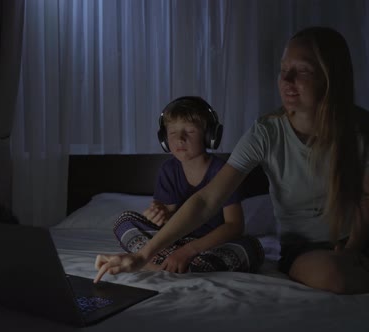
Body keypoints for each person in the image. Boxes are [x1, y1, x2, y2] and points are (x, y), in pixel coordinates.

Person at [95, 27, 369, 306]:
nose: (287, 79)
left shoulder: (363, 127)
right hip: (306, 245)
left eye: (302, 70)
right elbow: (207, 200)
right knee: (334, 277)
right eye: (284, 70)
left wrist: (354, 248)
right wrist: (143, 254)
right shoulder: (267, 132)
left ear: (330, 78)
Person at [112, 96, 264, 273]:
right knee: (124, 221)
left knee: (251, 246)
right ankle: (181, 265)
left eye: (190, 131)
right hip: (174, 241)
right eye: (172, 133)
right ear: (164, 139)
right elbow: (169, 221)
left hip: (211, 244)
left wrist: (188, 251)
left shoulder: (223, 171)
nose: (180, 139)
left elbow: (234, 225)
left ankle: (166, 263)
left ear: (209, 135)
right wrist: (160, 215)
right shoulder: (168, 170)